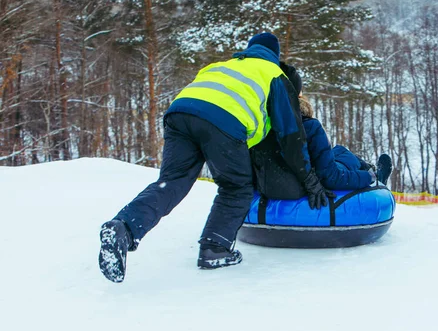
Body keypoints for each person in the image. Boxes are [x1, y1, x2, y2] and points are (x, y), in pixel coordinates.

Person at [98, 32, 333, 282]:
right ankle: (214, 249)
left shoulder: (221, 66)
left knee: (172, 182)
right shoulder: (275, 74)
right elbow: (291, 136)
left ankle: (123, 227)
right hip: (224, 119)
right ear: (275, 56)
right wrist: (308, 177)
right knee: (236, 187)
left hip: (179, 113)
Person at [251, 62, 392, 201]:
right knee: (344, 154)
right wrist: (369, 178)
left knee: (338, 150)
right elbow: (331, 178)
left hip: (267, 185)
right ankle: (376, 175)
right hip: (303, 184)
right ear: (297, 94)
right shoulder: (309, 126)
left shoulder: (256, 123)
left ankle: (368, 167)